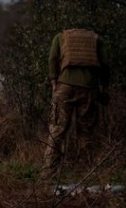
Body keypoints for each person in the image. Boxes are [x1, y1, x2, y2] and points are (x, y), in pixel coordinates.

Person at [41, 28, 110, 180]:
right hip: (89, 89)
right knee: (86, 133)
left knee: (57, 131)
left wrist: (53, 82)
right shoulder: (97, 39)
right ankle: (86, 175)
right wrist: (104, 87)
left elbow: (52, 59)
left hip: (64, 87)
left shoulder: (60, 36)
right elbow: (105, 65)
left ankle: (48, 174)